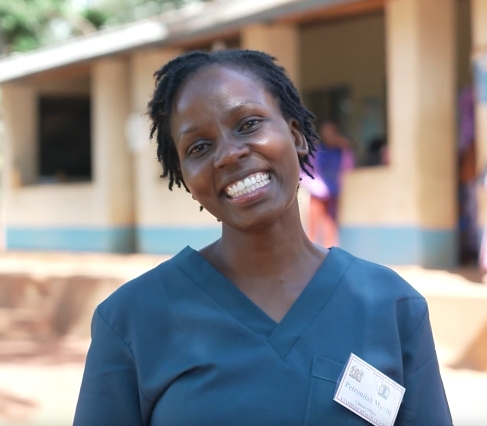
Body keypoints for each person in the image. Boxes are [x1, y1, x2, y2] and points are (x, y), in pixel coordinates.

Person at [73, 50, 452, 426]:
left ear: (296, 134)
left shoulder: (391, 306)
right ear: (186, 180)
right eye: (199, 147)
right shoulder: (130, 320)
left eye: (249, 124)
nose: (229, 154)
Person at [315, 121, 355, 247]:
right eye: (326, 132)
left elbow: (349, 168)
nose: (329, 135)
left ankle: (330, 252)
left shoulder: (341, 150)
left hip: (334, 192)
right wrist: (319, 188)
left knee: (331, 225)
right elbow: (308, 171)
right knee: (315, 225)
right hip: (317, 194)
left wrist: (347, 148)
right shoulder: (316, 149)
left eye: (332, 132)